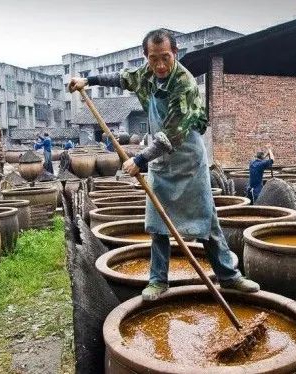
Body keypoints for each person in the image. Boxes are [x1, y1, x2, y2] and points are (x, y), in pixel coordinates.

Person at [68, 29, 259, 300]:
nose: (159, 65)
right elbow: (121, 78)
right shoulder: (146, 74)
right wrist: (87, 79)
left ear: (175, 54)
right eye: (153, 58)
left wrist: (140, 159)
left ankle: (229, 277)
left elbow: (172, 135)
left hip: (187, 160)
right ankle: (158, 281)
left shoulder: (185, 84)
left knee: (206, 219)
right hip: (161, 163)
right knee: (157, 224)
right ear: (146, 57)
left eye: (165, 58)